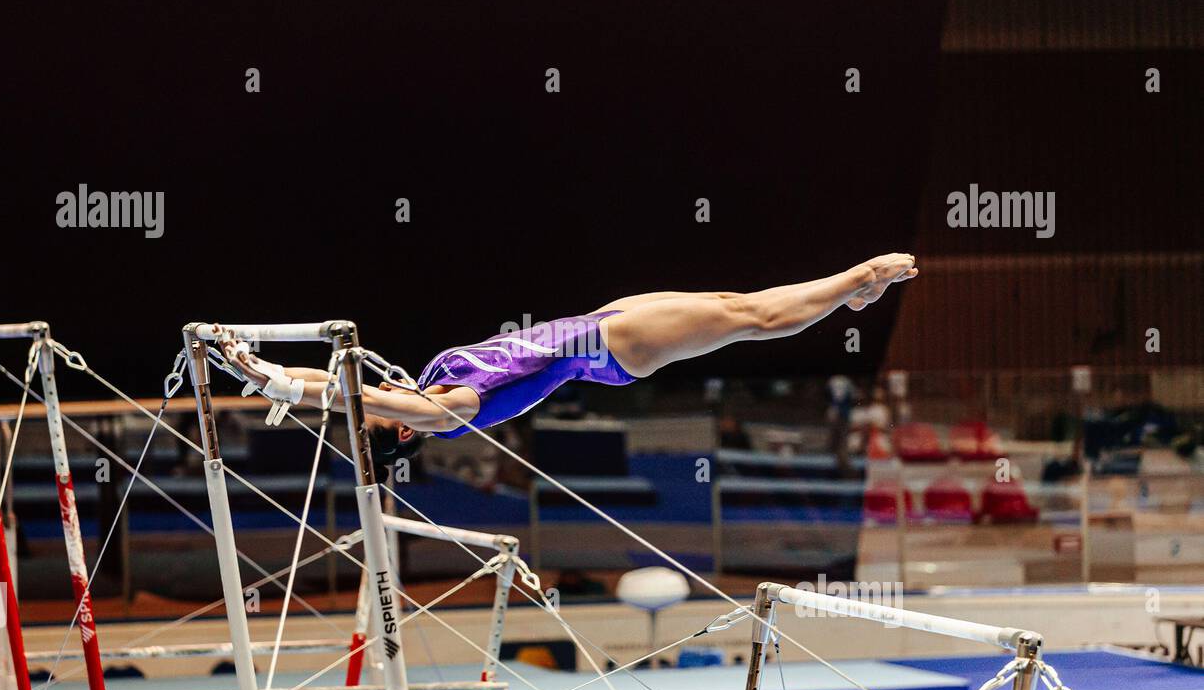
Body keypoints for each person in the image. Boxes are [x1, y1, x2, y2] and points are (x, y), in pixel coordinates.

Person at [221, 254, 918, 467]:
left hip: (600, 325)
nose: (384, 396)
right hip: (611, 350)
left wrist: (260, 372)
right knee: (749, 319)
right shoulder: (445, 414)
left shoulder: (428, 382)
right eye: (386, 414)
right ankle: (858, 282)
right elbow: (363, 399)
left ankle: (844, 301)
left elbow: (349, 384)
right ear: (403, 431)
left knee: (732, 302)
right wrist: (290, 386)